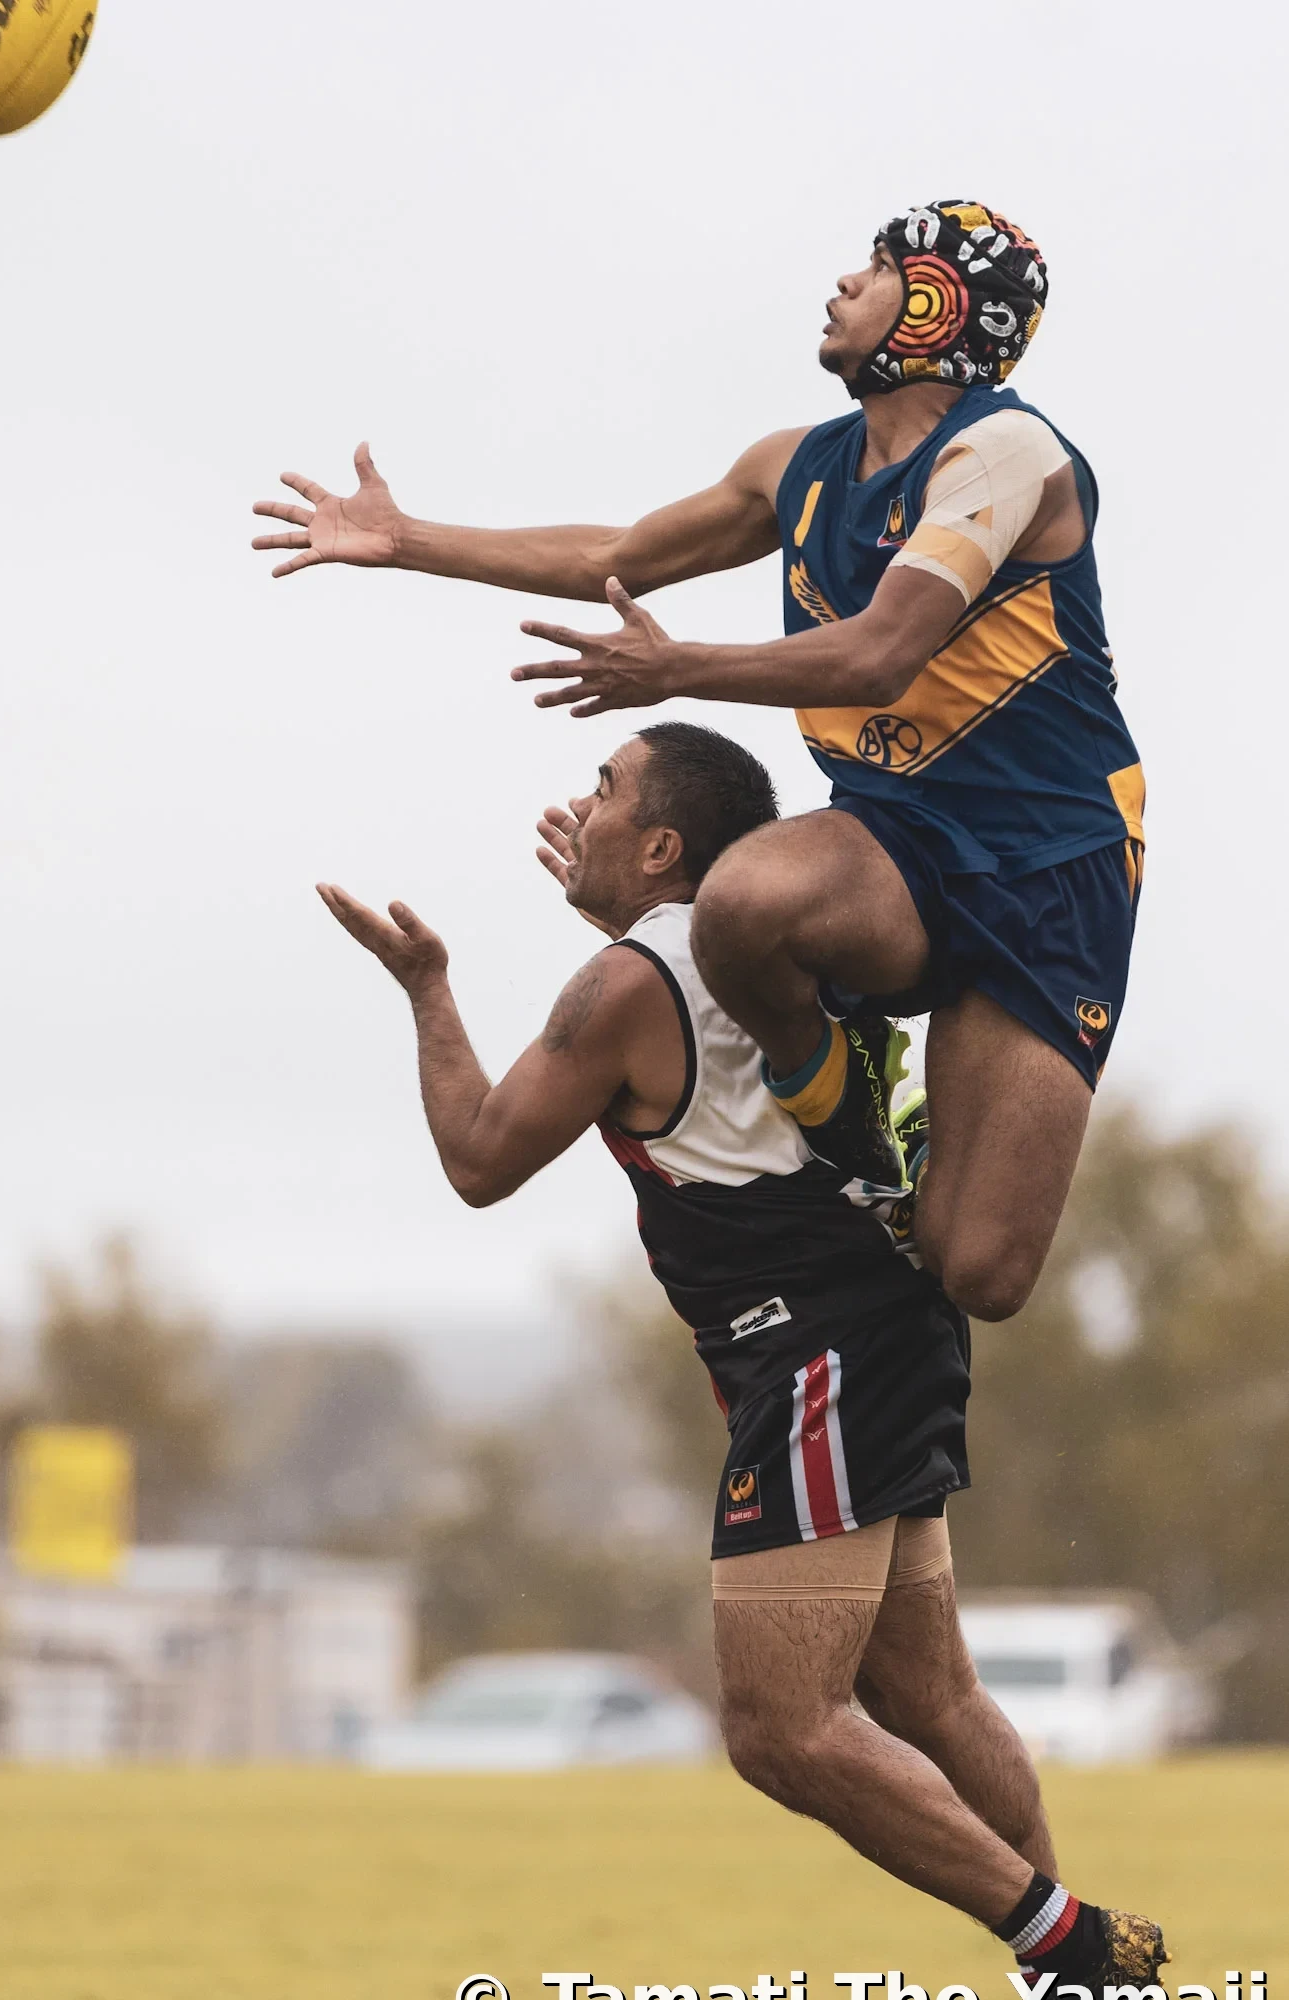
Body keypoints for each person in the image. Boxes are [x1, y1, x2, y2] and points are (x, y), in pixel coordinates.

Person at [317, 720, 1164, 2000]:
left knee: (780, 1730)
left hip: (816, 1352)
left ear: (662, 844)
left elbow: (482, 1157)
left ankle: (1078, 1954)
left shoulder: (623, 985)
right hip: (891, 1326)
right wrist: (622, 907)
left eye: (605, 790)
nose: (576, 806)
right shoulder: (767, 935)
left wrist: (427, 985)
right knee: (922, 1696)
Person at [253, 200, 1145, 1325]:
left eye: (873, 270)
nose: (839, 286)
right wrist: (409, 539)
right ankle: (844, 1081)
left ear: (935, 306)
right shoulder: (798, 466)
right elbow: (617, 556)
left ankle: (908, 1144)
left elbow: (879, 654)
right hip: (901, 832)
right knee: (742, 902)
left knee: (978, 1271)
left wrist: (677, 670)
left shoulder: (1008, 449)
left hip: (1052, 859)